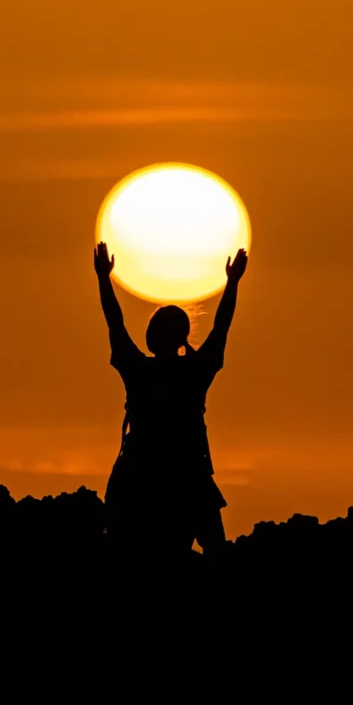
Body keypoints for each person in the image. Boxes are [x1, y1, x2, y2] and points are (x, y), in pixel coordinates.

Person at [96, 240, 247, 563]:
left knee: (123, 553)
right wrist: (233, 283)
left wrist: (103, 279)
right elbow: (221, 328)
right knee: (216, 553)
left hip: (140, 475)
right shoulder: (195, 371)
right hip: (188, 475)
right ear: (182, 337)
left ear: (151, 335)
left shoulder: (138, 370)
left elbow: (115, 324)